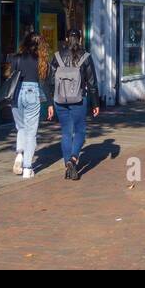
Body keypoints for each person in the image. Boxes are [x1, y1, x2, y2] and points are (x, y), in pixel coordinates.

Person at [47, 30, 100, 180]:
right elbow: (92, 82)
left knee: (66, 132)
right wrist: (96, 103)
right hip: (79, 99)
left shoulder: (57, 56)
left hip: (60, 100)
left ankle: (67, 166)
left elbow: (50, 81)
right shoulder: (86, 57)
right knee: (80, 131)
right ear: (81, 39)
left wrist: (50, 102)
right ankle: (73, 159)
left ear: (65, 38)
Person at [7, 30, 47, 178]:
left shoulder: (16, 58)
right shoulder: (41, 60)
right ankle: (27, 168)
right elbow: (43, 81)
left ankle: (19, 154)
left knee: (21, 127)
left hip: (17, 93)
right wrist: (49, 102)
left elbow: (10, 75)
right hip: (32, 93)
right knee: (31, 132)